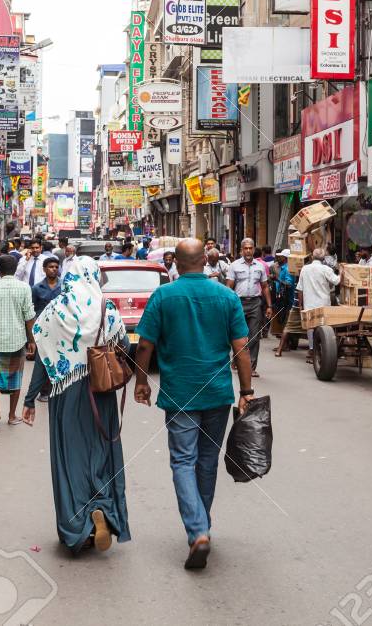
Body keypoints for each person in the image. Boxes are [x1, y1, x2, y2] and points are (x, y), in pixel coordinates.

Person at [133, 239, 254, 570]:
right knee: (206, 461)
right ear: (205, 260)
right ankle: (203, 525)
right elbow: (241, 348)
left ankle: (198, 529)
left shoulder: (164, 296)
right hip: (217, 393)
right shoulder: (226, 297)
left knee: (183, 461)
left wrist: (141, 382)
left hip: (179, 393)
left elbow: (145, 345)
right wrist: (247, 390)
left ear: (177, 263)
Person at [21, 256, 132, 553]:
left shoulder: (54, 310)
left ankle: (77, 527)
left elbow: (43, 360)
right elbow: (125, 346)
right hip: (100, 391)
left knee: (69, 458)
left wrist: (30, 400)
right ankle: (103, 508)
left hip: (65, 395)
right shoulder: (104, 307)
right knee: (101, 451)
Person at [0, 254, 36, 432]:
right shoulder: (24, 288)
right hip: (18, 340)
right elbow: (29, 316)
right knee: (15, 378)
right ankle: (12, 416)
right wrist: (32, 340)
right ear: (15, 270)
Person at [227, 238, 273, 375]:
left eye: (250, 248)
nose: (248, 251)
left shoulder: (260, 267)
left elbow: (265, 287)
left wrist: (269, 306)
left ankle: (251, 367)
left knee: (254, 335)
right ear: (241, 250)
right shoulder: (234, 266)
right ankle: (236, 358)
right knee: (239, 334)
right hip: (238, 303)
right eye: (245, 248)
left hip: (255, 303)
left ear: (254, 249)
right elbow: (229, 287)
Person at [297, 248, 340, 364]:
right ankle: (321, 351)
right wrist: (342, 272)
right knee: (323, 328)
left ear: (312, 257)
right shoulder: (326, 269)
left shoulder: (305, 269)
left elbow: (299, 289)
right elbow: (337, 281)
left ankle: (312, 350)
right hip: (323, 304)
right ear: (323, 258)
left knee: (311, 328)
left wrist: (300, 305)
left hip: (309, 303)